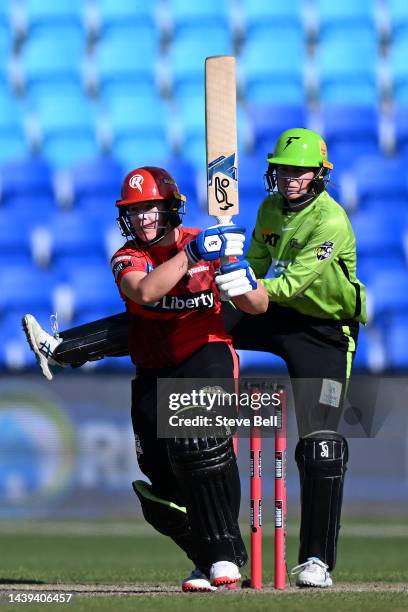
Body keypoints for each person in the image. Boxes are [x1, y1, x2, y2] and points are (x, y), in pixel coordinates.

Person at [23, 128, 367, 588]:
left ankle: (316, 562)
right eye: (283, 170)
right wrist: (232, 269)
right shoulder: (267, 210)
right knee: (174, 315)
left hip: (321, 330)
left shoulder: (331, 222)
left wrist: (239, 279)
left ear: (318, 176)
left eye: (299, 172)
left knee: (321, 444)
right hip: (267, 310)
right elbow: (248, 285)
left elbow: (280, 289)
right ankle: (66, 348)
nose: (289, 179)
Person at [24, 165, 268, 593]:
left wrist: (236, 274)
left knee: (202, 448)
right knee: (161, 491)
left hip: (205, 352)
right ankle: (205, 557)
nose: (142, 219)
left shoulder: (205, 243)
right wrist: (194, 257)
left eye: (151, 209)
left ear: (171, 208)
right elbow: (146, 292)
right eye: (135, 212)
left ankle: (225, 558)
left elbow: (258, 305)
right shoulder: (128, 256)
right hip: (154, 369)